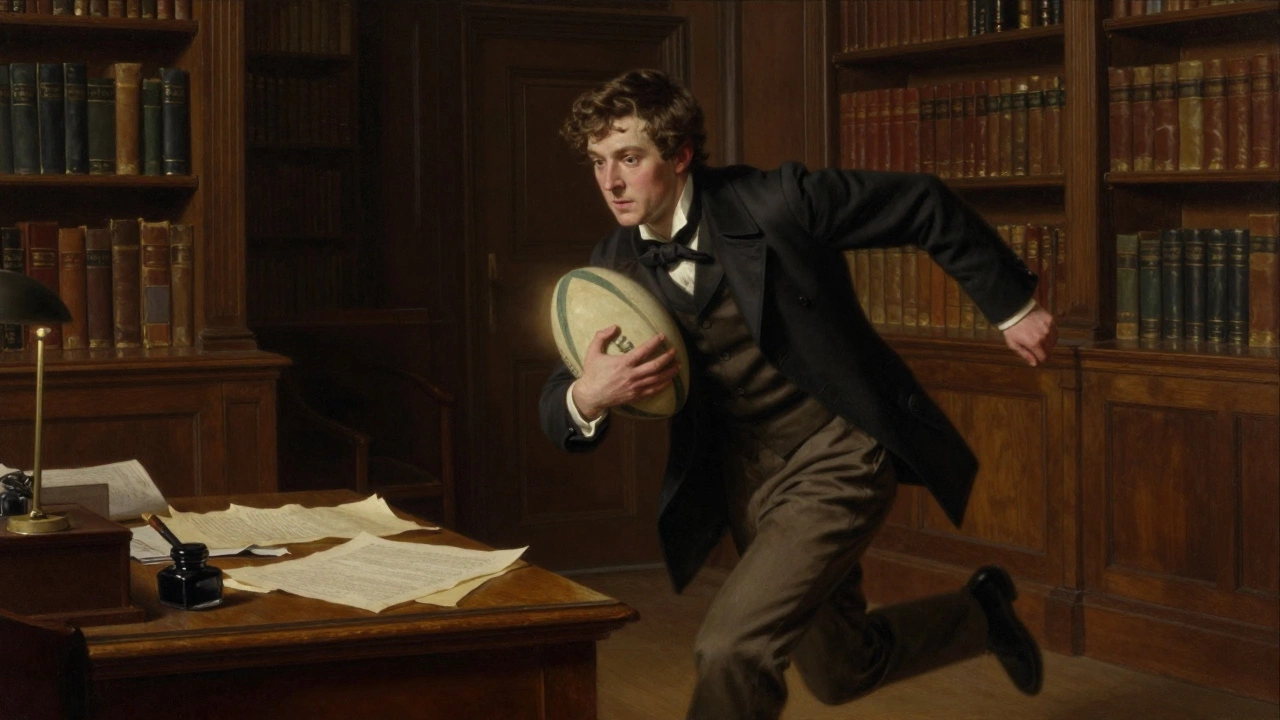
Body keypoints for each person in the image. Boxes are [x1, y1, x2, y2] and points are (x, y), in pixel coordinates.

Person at [539, 68, 1056, 720]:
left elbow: (922, 201)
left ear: (680, 154)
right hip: (749, 483)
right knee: (842, 670)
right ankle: (982, 616)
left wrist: (1011, 306)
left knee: (731, 649)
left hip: (839, 452)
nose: (610, 182)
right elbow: (561, 392)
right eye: (598, 162)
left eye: (629, 158)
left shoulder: (774, 201)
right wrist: (587, 396)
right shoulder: (614, 262)